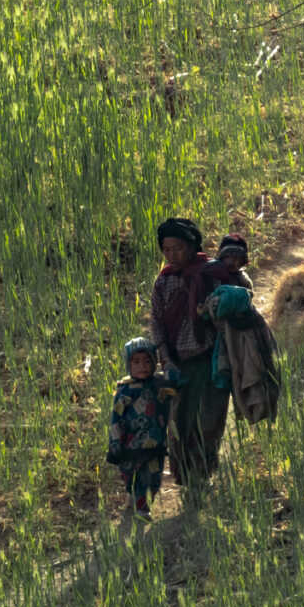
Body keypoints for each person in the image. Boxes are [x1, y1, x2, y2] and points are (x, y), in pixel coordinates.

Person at [147, 216, 231, 488]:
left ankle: (203, 477)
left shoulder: (212, 275)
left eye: (178, 249)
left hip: (211, 361)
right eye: (166, 250)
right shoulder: (163, 283)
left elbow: (228, 318)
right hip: (179, 364)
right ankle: (184, 478)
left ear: (192, 246)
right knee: (180, 424)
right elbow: (157, 323)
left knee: (209, 420)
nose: (172, 255)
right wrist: (167, 361)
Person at [106, 337, 174, 526]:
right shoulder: (125, 389)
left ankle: (142, 503)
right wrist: (114, 444)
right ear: (128, 364)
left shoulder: (159, 384)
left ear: (154, 362)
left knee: (153, 476)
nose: (142, 366)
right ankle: (137, 499)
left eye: (147, 361)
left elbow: (175, 394)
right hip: (130, 444)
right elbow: (116, 418)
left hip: (155, 442)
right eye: (136, 362)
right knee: (131, 474)